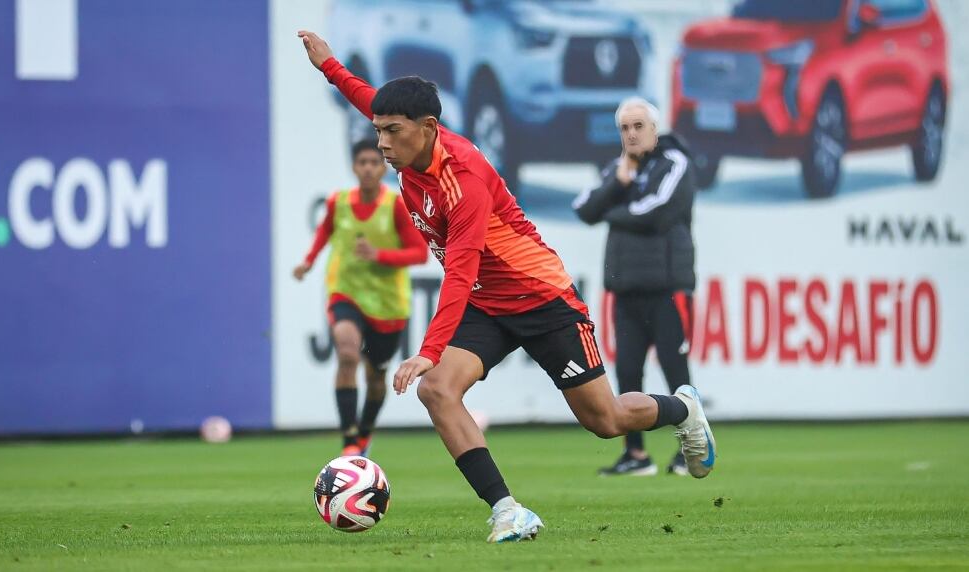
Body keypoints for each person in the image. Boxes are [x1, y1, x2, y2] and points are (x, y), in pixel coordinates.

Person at [297, 30, 716, 544]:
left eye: (391, 132)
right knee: (438, 391)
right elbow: (371, 101)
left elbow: (461, 270)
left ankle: (683, 409)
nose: (381, 142)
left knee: (605, 420)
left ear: (427, 129)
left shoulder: (464, 178)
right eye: (378, 131)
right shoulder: (410, 147)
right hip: (487, 305)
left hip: (543, 299)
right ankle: (507, 511)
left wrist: (427, 350)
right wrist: (330, 66)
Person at [573, 98, 699, 477]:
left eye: (638, 126)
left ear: (655, 129)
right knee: (628, 371)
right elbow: (584, 208)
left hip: (668, 287)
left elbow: (656, 212)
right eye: (625, 127)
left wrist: (613, 210)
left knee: (677, 370)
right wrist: (618, 184)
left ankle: (688, 450)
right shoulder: (618, 169)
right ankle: (636, 455)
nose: (631, 133)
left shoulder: (675, 163)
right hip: (625, 289)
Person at [293, 140, 429, 457]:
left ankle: (365, 430)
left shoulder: (395, 205)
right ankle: (349, 439)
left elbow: (419, 253)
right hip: (346, 291)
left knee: (376, 375)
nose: (368, 168)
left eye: (374, 162)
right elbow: (324, 233)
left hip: (387, 304)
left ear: (383, 168)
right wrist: (308, 261)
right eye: (362, 162)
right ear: (354, 167)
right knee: (347, 352)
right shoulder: (338, 202)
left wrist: (378, 254)